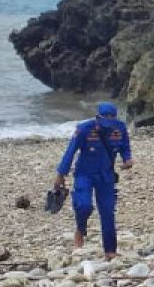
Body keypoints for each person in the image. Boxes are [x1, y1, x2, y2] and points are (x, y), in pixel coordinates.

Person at [55, 102, 132, 260]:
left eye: (112, 119)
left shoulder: (120, 128)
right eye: (106, 119)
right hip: (85, 173)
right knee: (84, 205)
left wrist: (127, 159)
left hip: (106, 175)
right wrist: (61, 173)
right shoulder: (84, 129)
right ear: (98, 117)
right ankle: (80, 229)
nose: (109, 123)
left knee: (108, 213)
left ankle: (110, 250)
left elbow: (125, 146)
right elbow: (71, 150)